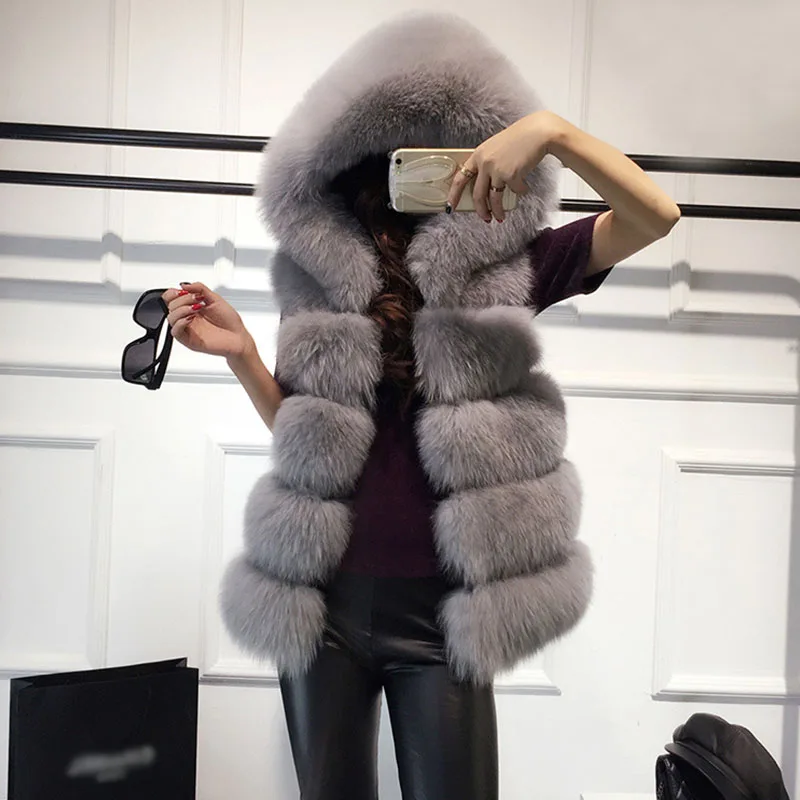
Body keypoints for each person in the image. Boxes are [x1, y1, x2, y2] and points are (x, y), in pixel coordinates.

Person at [162, 14, 680, 800]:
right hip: (324, 609)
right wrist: (243, 356)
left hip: (442, 619)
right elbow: (311, 440)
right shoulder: (321, 277)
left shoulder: (514, 268)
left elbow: (655, 216)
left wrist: (550, 134)